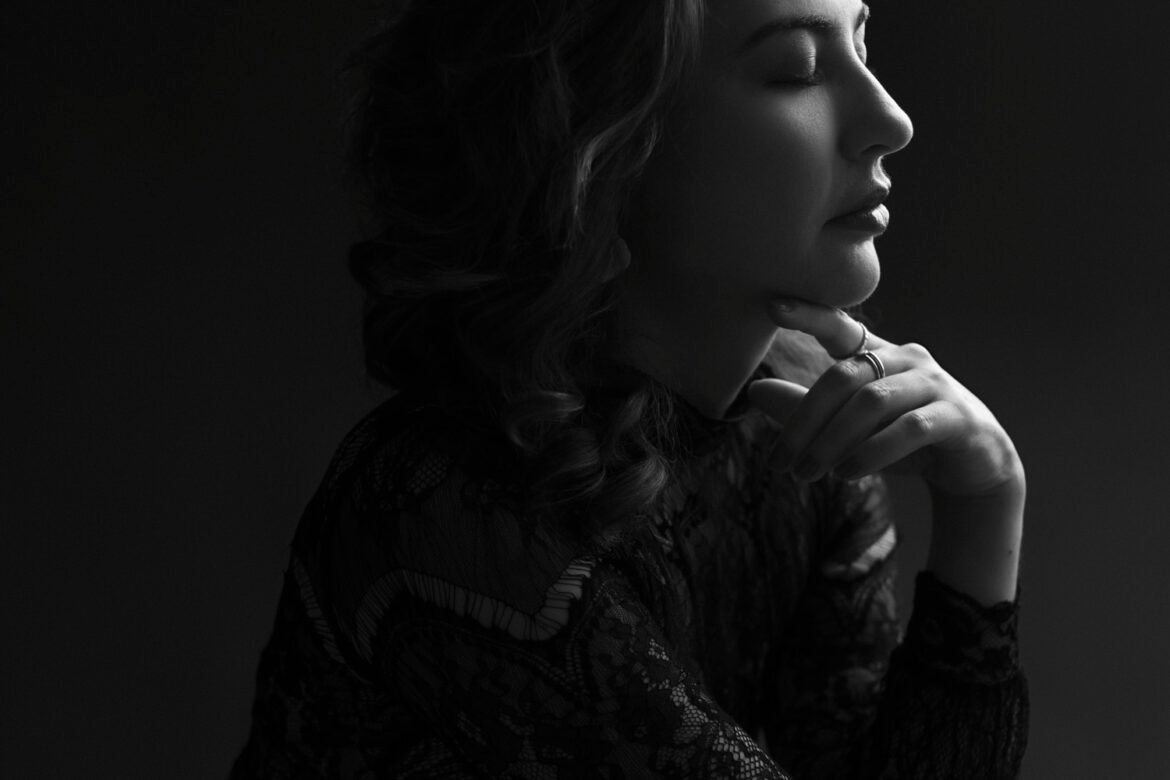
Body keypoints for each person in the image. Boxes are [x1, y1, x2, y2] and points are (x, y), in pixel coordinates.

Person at [231, 0, 1029, 776]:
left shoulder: (794, 436)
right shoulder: (451, 504)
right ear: (606, 151)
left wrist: (986, 500)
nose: (892, 120)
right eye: (796, 69)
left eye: (863, 44)